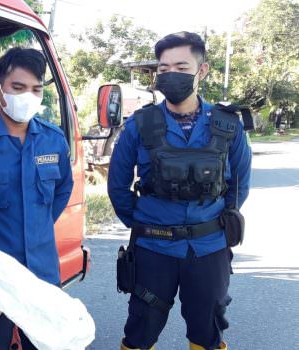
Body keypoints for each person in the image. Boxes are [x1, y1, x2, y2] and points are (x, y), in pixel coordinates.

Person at [108, 32, 252, 350]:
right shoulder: (139, 125)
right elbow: (117, 187)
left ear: (202, 70)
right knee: (141, 328)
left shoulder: (228, 124)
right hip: (153, 248)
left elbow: (239, 185)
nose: (170, 74)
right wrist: (147, 223)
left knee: (208, 329)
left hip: (209, 247)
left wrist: (211, 222)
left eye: (181, 66)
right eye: (163, 68)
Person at [0, 47, 74, 349]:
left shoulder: (53, 140)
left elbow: (60, 193)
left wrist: (36, 227)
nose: (27, 96)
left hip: (43, 274)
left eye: (35, 89)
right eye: (18, 88)